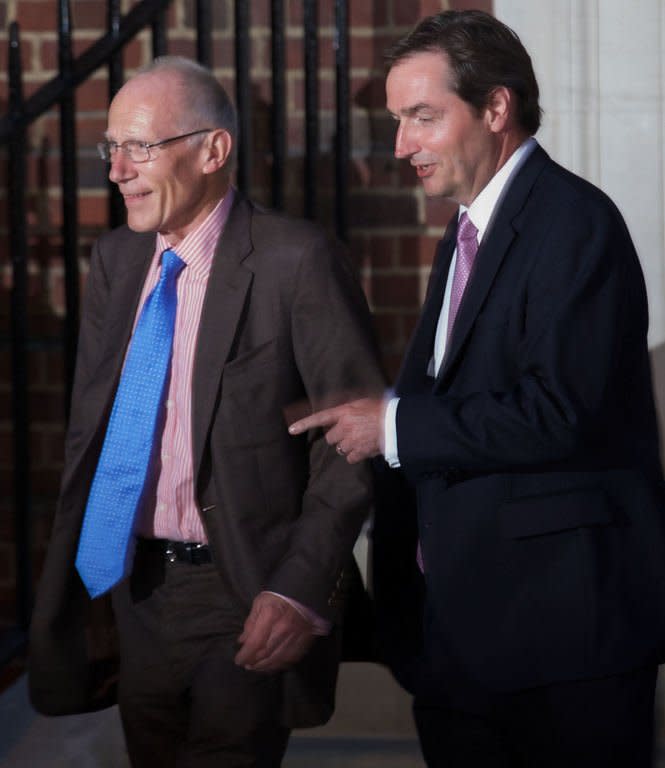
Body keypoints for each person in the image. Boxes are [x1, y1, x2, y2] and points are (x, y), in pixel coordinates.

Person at [289, 10, 665, 767]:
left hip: (563, 646)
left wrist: (390, 428)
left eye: (422, 117)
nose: (401, 146)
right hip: (465, 641)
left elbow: (557, 412)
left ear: (496, 108)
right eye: (397, 121)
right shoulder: (461, 236)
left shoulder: (574, 223)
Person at [28, 56, 383, 767]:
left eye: (139, 146)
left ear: (212, 149)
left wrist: (297, 587)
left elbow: (353, 444)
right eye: (111, 148)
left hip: (243, 589)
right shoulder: (116, 263)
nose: (118, 169)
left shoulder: (296, 260)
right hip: (133, 588)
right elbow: (90, 433)